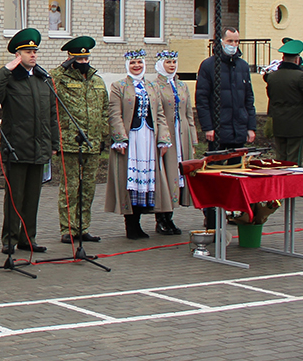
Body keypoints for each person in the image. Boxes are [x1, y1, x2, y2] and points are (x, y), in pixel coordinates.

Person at [0, 28, 57, 254]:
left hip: (39, 147)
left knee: (32, 198)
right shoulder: (10, 79)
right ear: (17, 55)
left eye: (34, 51)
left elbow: (51, 115)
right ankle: (9, 239)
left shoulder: (43, 79)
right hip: (17, 148)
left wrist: (54, 144)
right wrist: (6, 69)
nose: (33, 55)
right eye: (28, 51)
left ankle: (28, 238)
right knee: (14, 198)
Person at [47, 36, 109, 245]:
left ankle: (83, 227)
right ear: (70, 58)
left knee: (88, 187)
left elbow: (104, 111)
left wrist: (103, 135)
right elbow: (47, 82)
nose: (83, 63)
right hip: (69, 143)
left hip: (92, 143)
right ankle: (67, 229)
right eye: (78, 59)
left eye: (86, 59)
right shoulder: (60, 78)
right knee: (70, 187)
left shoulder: (97, 80)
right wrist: (64, 67)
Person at [107, 50, 172, 239]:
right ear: (128, 65)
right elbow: (114, 113)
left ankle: (141, 221)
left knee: (147, 180)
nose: (137, 66)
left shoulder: (151, 86)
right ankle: (131, 224)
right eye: (133, 63)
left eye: (140, 63)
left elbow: (159, 113)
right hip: (132, 139)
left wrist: (164, 139)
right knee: (130, 178)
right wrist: (120, 137)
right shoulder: (119, 86)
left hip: (148, 138)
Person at [195, 26, 256, 227]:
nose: (233, 45)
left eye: (236, 42)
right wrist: (208, 127)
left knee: (237, 176)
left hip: (238, 130)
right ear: (221, 42)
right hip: (219, 133)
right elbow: (202, 99)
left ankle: (234, 214)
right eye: (230, 41)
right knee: (216, 177)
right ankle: (212, 218)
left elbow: (248, 98)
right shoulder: (208, 66)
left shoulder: (242, 66)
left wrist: (250, 126)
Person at [149, 50, 197, 228]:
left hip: (181, 133)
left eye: (174, 62)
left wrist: (193, 138)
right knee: (166, 174)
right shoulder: (154, 86)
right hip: (166, 133)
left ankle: (170, 216)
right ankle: (162, 217)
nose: (172, 65)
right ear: (161, 64)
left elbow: (189, 113)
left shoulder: (182, 86)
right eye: (168, 62)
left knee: (179, 174)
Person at [264, 38, 303, 166]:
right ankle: (291, 182)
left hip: (278, 121)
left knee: (280, 156)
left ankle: (281, 182)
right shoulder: (300, 76)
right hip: (296, 123)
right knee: (293, 158)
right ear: (297, 59)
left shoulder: (272, 76)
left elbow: (271, 95)